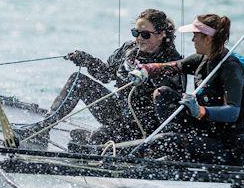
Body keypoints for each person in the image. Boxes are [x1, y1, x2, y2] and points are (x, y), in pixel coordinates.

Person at [16, 9, 183, 147]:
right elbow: (107, 74)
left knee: (97, 139)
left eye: (145, 35)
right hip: (118, 113)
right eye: (136, 33)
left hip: (141, 127)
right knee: (78, 80)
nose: (139, 38)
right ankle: (42, 130)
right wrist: (87, 60)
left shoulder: (173, 62)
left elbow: (169, 104)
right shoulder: (129, 49)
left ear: (161, 34)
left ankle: (93, 140)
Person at [131, 14, 244, 166]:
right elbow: (174, 66)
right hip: (209, 133)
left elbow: (233, 112)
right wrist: (146, 70)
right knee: (162, 93)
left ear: (208, 39)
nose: (192, 40)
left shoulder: (230, 66)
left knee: (166, 140)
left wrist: (200, 111)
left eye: (195, 36)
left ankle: (155, 154)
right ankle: (175, 149)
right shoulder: (202, 58)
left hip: (230, 148)